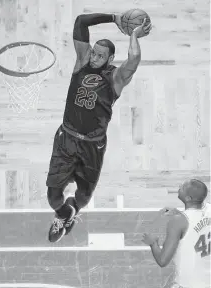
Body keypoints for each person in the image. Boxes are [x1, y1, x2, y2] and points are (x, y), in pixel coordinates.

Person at [46, 12, 152, 243]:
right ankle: (65, 213)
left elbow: (133, 59)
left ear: (110, 58)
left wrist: (134, 34)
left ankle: (74, 208)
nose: (94, 57)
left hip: (92, 146)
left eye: (100, 55)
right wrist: (113, 17)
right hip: (66, 140)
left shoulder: (115, 78)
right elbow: (81, 22)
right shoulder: (82, 62)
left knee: (83, 198)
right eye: (94, 52)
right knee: (53, 199)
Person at [142, 179, 210, 288]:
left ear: (188, 198)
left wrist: (153, 243)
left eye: (182, 187)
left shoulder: (177, 221)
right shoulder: (208, 210)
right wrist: (179, 212)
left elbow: (162, 260)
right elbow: (194, 217)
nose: (179, 186)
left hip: (188, 285)